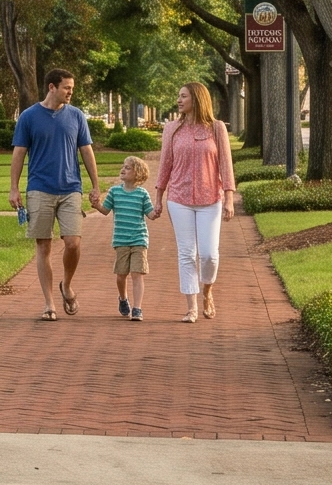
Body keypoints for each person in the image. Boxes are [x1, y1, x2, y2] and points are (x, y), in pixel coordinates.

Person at [9, 69, 100, 319]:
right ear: (52, 87)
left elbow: (86, 151)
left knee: (73, 242)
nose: (70, 92)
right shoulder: (29, 117)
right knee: (43, 245)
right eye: (66, 87)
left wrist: (95, 185)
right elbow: (19, 153)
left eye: (72, 88)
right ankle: (49, 303)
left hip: (70, 188)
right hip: (39, 188)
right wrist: (14, 188)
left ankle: (66, 285)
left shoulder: (76, 116)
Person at [149, 79, 238, 323]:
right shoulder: (172, 129)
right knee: (186, 253)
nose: (179, 100)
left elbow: (226, 164)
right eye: (179, 96)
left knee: (209, 255)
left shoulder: (216, 128)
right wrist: (159, 197)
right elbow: (165, 164)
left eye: (183, 96)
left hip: (210, 199)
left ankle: (207, 290)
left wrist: (229, 198)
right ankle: (191, 307)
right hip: (179, 198)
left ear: (197, 99)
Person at [99, 155, 155, 321]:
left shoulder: (142, 194)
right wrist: (96, 204)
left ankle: (137, 308)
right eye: (123, 166)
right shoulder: (114, 192)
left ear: (137, 173)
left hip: (139, 239)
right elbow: (105, 210)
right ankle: (123, 298)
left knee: (137, 273)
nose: (123, 169)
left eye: (127, 167)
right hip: (121, 240)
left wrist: (157, 210)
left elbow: (150, 214)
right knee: (121, 274)